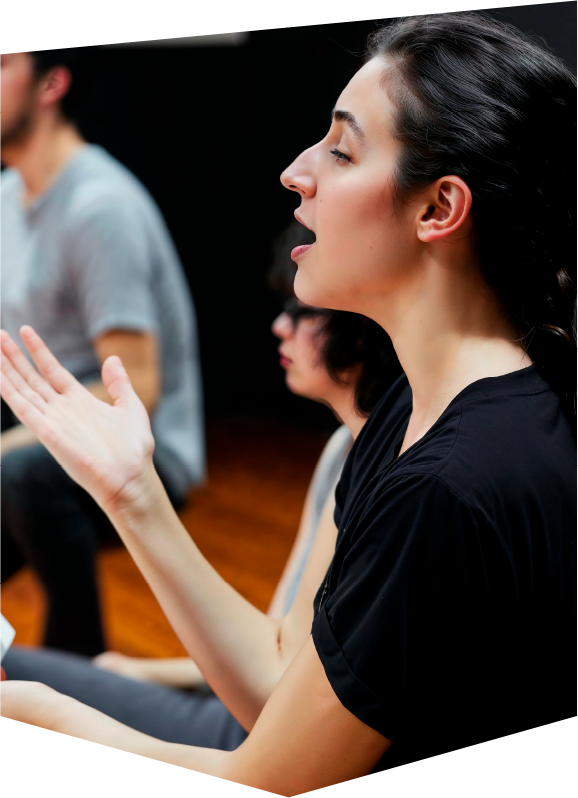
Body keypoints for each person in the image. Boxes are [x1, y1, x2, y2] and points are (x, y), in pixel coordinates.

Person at [1, 12, 578, 792]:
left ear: (438, 209)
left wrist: (38, 709)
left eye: (341, 150)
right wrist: (130, 491)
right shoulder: (412, 410)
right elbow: (283, 685)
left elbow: (269, 779)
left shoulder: (452, 484)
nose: (296, 172)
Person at [1, 258, 400, 745]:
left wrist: (53, 712)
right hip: (244, 709)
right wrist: (152, 672)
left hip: (247, 734)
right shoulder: (347, 448)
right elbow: (281, 648)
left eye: (302, 311)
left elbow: (277, 718)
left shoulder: (396, 475)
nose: (279, 326)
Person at [0, 49, 205, 657]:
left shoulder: (99, 207)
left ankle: (78, 663)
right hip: (38, 428)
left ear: (51, 84)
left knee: (22, 473)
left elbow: (135, 389)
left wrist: (11, 440)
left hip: (143, 449)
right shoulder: (8, 195)